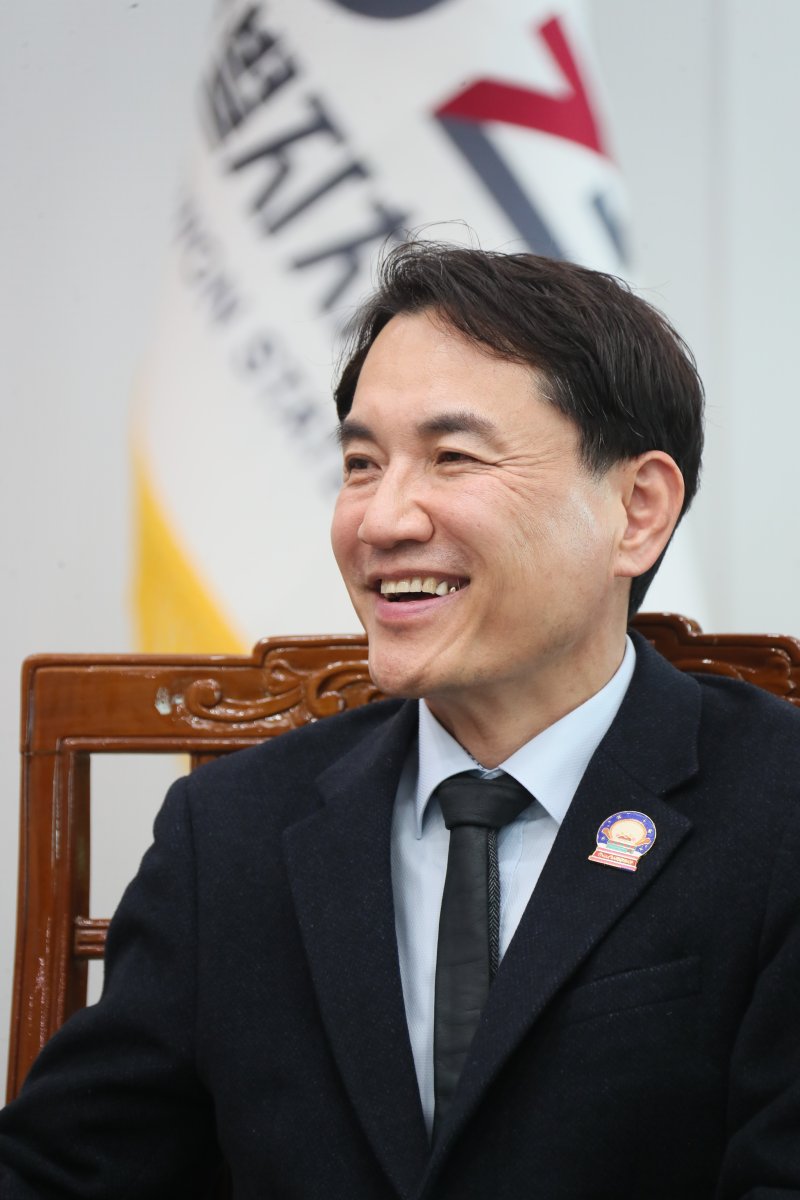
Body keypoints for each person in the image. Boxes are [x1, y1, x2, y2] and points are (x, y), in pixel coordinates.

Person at [2, 242, 800, 1199]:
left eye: (452, 458)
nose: (380, 522)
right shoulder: (229, 832)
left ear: (637, 510)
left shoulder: (779, 812)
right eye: (361, 463)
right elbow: (63, 1173)